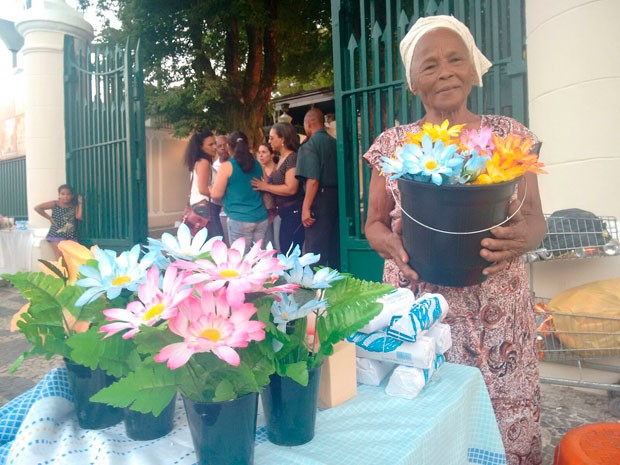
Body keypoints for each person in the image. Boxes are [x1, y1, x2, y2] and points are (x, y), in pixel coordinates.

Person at [363, 16, 546, 465]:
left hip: (499, 313)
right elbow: (374, 223)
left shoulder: (510, 136)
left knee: (505, 424)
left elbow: (537, 221)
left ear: (472, 70)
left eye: (454, 59)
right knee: (427, 424)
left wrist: (519, 240)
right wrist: (391, 246)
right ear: (413, 83)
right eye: (429, 65)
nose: (444, 71)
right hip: (421, 310)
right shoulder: (393, 146)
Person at [296, 108, 340, 269]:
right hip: (337, 198)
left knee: (316, 250)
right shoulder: (335, 143)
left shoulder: (309, 146)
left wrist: (306, 207)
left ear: (308, 124)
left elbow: (313, 180)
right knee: (335, 245)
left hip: (319, 199)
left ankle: (318, 288)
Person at [210, 131, 268, 253]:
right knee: (258, 258)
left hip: (239, 219)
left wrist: (209, 188)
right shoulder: (258, 165)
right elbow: (266, 186)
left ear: (228, 147)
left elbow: (216, 194)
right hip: (261, 218)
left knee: (240, 260)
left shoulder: (227, 166)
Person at [252, 122, 304, 254]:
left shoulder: (292, 158)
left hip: (293, 211)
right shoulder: (282, 158)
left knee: (290, 252)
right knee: (284, 248)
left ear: (283, 139)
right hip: (284, 212)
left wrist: (266, 186)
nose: (269, 141)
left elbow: (291, 188)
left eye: (272, 138)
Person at [184, 130, 225, 239]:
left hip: (201, 207)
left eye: (214, 143)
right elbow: (203, 189)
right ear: (201, 147)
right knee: (216, 244)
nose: (215, 147)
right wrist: (220, 193)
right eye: (210, 144)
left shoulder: (200, 162)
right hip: (206, 209)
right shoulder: (204, 163)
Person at [35, 184, 83, 259]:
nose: (65, 196)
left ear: (72, 196)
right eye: (62, 194)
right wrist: (49, 218)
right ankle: (60, 271)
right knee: (60, 256)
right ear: (59, 195)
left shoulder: (74, 205)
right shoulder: (55, 203)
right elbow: (38, 208)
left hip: (71, 235)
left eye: (68, 194)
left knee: (72, 257)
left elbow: (79, 217)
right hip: (56, 234)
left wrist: (80, 203)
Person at [256, 142, 279, 249]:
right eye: (259, 152)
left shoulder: (278, 169)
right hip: (263, 210)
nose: (261, 155)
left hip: (278, 208)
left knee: (277, 241)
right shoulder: (257, 170)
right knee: (267, 242)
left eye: (264, 152)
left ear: (272, 154)